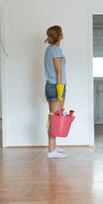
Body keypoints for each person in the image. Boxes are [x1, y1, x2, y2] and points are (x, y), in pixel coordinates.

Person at [44, 25, 67, 159]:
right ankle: (51, 151)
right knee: (54, 119)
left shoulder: (49, 49)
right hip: (56, 86)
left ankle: (54, 147)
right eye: (61, 32)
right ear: (59, 36)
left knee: (55, 118)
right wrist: (60, 89)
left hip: (52, 85)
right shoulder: (56, 50)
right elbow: (58, 71)